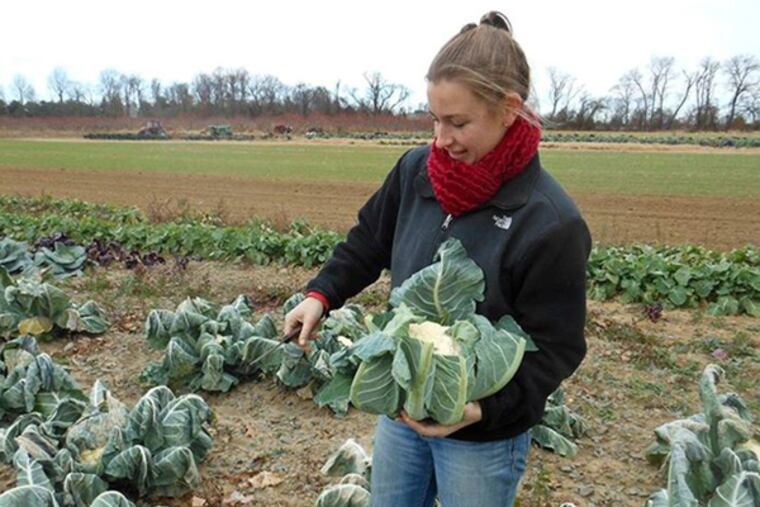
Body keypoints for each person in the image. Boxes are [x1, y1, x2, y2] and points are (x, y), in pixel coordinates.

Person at [284, 11, 591, 507]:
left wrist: (479, 409)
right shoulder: (415, 172)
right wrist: (321, 294)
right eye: (433, 119)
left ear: (509, 109)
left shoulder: (550, 222)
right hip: (403, 408)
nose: (440, 139)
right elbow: (368, 242)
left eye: (458, 122)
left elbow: (557, 348)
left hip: (481, 435)